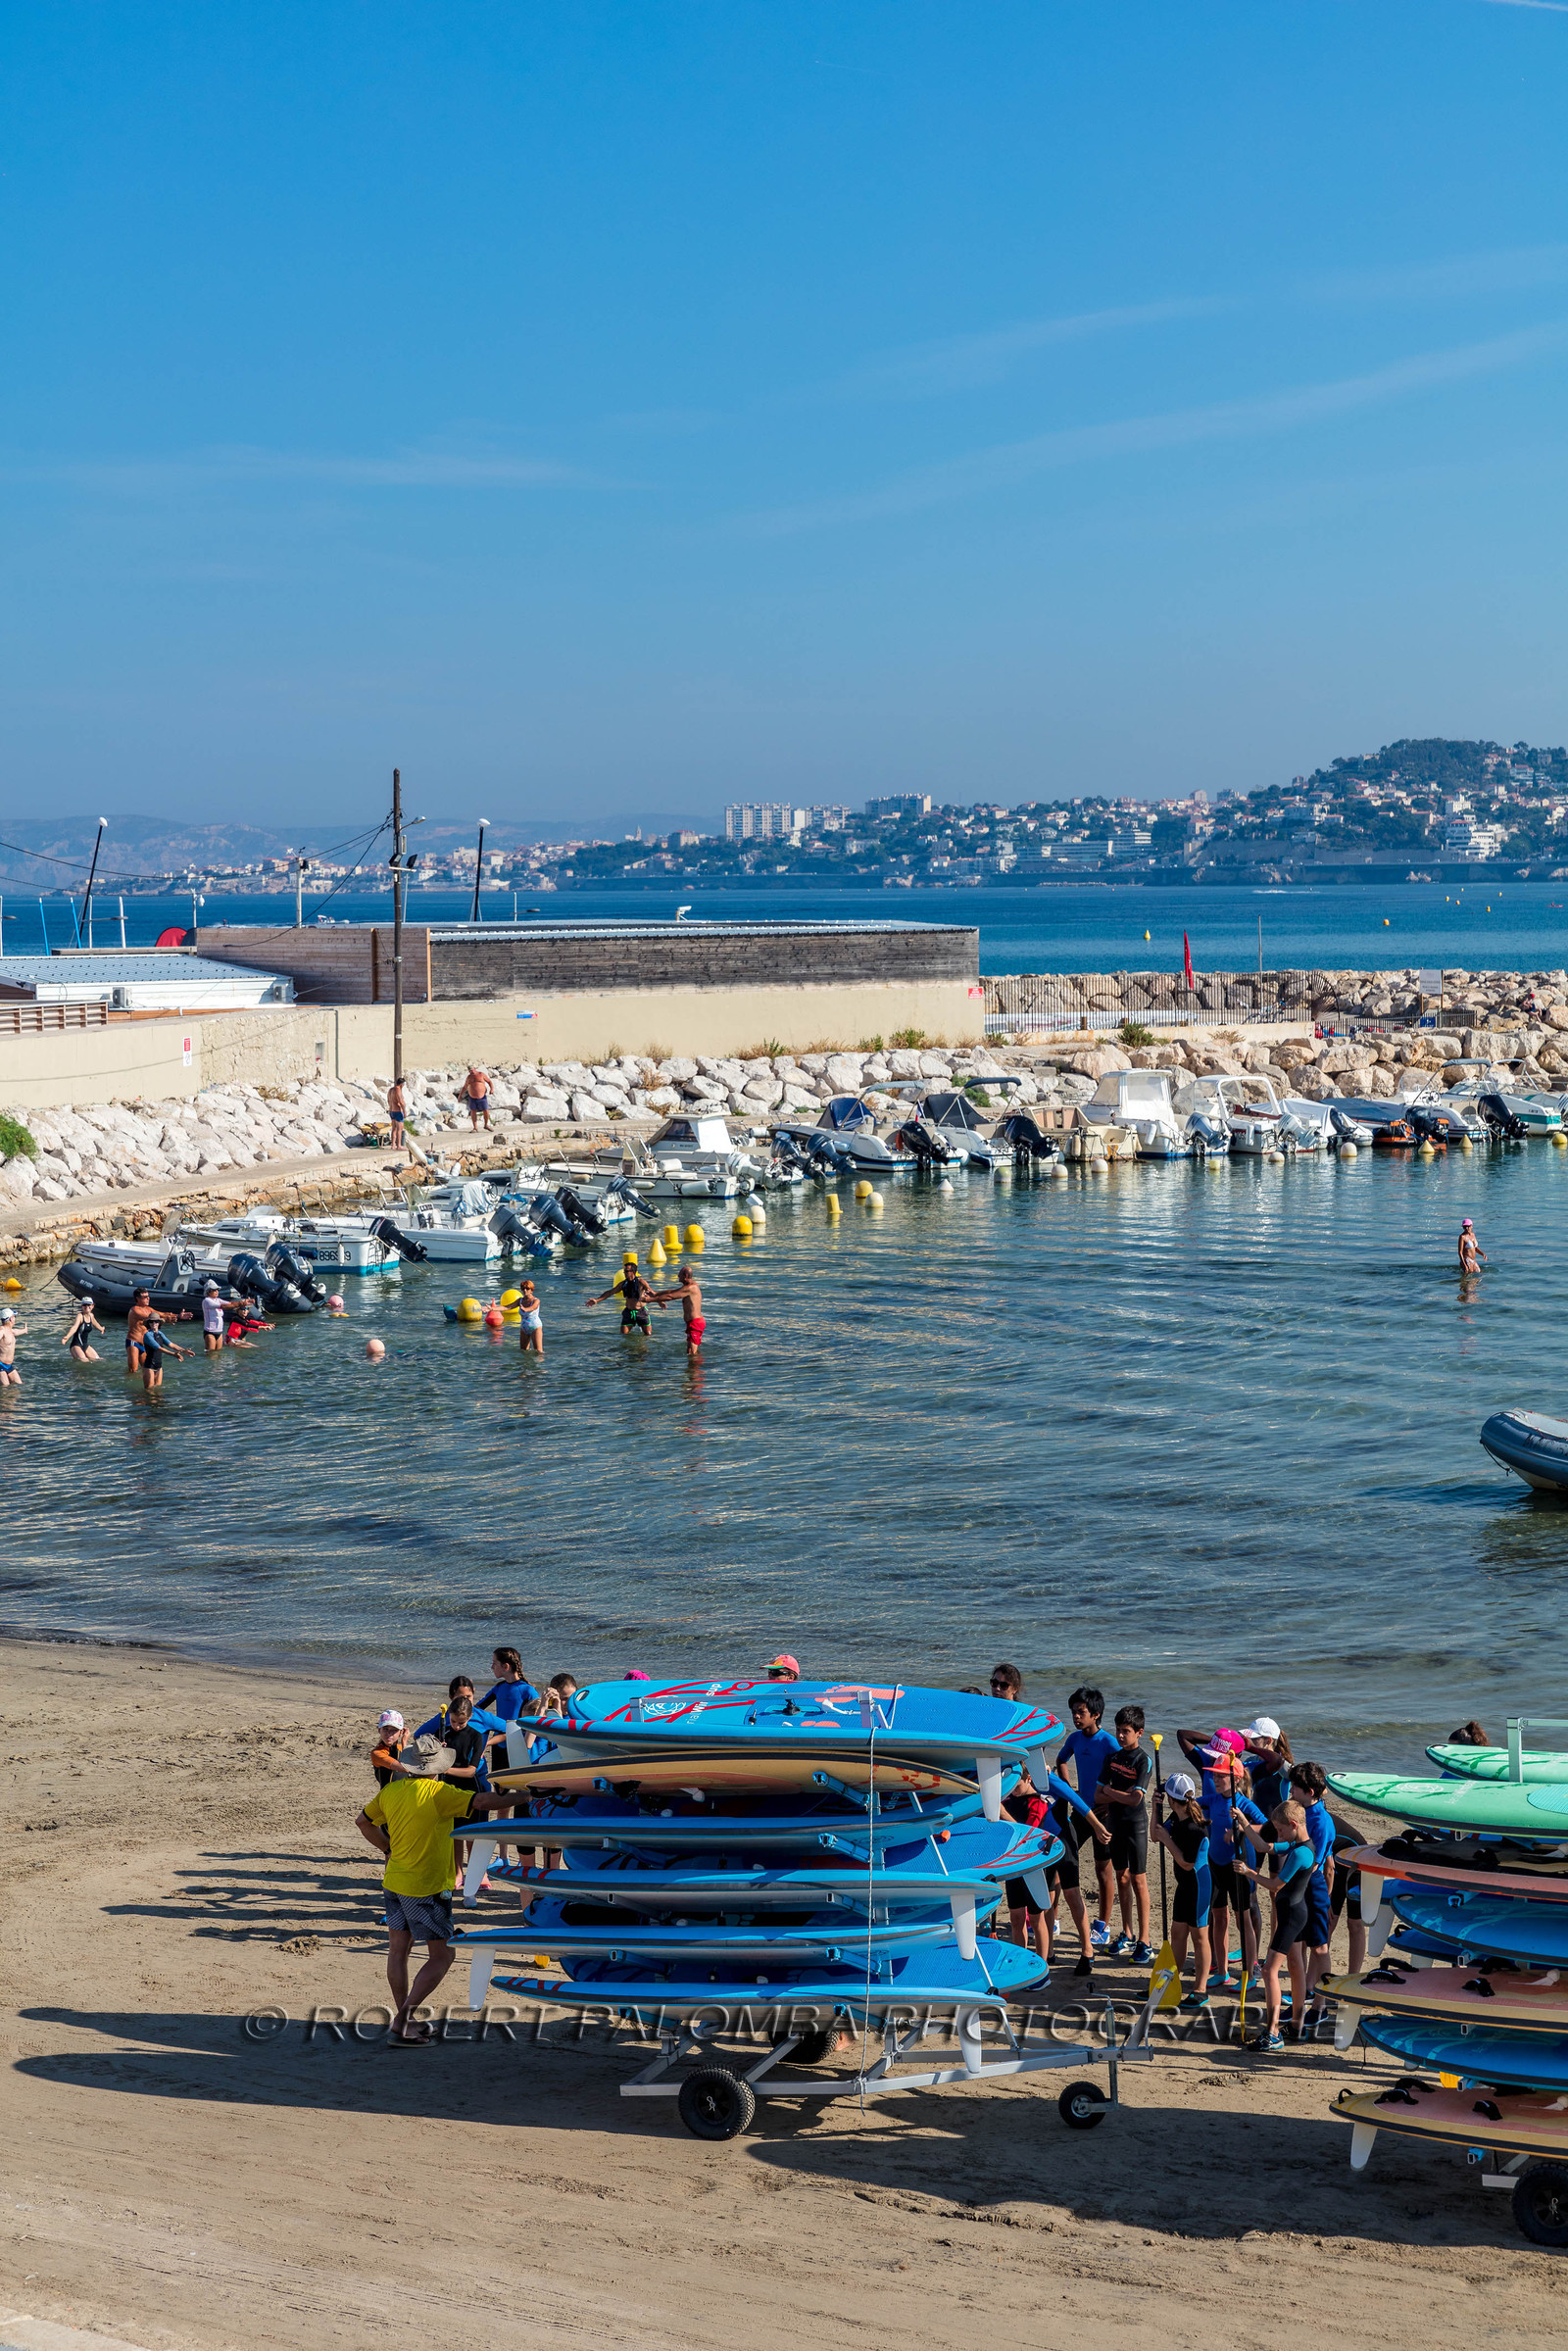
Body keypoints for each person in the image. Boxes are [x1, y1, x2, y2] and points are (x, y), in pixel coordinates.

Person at [355, 1732, 513, 2044]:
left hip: (394, 1882)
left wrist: (387, 1849)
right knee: (442, 1956)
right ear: (437, 1766)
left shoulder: (392, 1791)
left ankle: (406, 2019)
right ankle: (401, 2021)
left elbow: (363, 1822)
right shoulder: (439, 1793)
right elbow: (481, 1800)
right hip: (426, 1888)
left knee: (399, 1950)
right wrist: (524, 1797)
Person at [1177, 1724, 1265, 1988]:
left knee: (1244, 1920)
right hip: (1215, 1865)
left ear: (1235, 1779)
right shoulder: (1213, 1800)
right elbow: (1190, 1804)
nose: (1215, 1780)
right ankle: (1222, 1970)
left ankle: (1249, 1972)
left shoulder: (1244, 1804)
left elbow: (1268, 1827)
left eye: (1220, 1776)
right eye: (1213, 1775)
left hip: (1238, 1866)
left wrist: (1244, 1826)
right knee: (1219, 1918)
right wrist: (1169, 1796)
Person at [1231, 1797, 1315, 2053]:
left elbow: (1276, 1885)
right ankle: (1297, 2025)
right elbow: (1265, 1846)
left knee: (1269, 1971)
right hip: (1297, 1912)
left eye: (1280, 1830)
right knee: (1296, 1966)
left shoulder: (1300, 1853)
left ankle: (1273, 2032)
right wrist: (1244, 1822)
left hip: (1291, 1916)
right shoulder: (1298, 1844)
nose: (1278, 1834)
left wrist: (1248, 1872)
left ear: (1293, 1824)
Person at [1049, 1687, 1117, 1975]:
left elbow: (1126, 1773)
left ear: (1096, 1715)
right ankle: (1051, 1919)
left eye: (1081, 1713)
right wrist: (1067, 1790)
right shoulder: (1074, 1739)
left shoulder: (1109, 1742)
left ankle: (1101, 1925)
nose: (1076, 1717)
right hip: (1080, 1811)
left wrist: (1111, 1803)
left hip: (1103, 1814)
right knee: (1059, 1864)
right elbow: (1060, 1760)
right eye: (1074, 1712)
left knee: (1103, 1871)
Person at [1096, 1704, 1153, 1964]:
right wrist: (1114, 1795)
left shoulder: (1143, 1760)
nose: (1120, 1735)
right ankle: (1128, 1934)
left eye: (1126, 1731)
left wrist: (1111, 1794)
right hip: (1115, 1823)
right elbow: (1097, 1794)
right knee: (1122, 1877)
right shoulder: (1113, 1758)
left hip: (1136, 1826)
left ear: (1139, 1732)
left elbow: (1135, 1800)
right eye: (1118, 1730)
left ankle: (1145, 1941)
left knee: (1139, 1880)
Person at [1152, 1771, 1212, 2011]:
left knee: (1199, 1937)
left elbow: (1187, 1862)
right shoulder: (1175, 1819)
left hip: (1199, 1886)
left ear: (1172, 1799)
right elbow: (1156, 1835)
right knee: (1177, 1933)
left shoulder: (1196, 1828)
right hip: (1184, 1886)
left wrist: (1168, 1840)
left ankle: (1200, 1989)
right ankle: (1170, 1981)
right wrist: (1155, 1807)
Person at [1289, 1760, 1338, 2033]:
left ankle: (1320, 2006)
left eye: (1295, 1787)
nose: (1291, 1791)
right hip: (1304, 1888)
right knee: (1302, 1946)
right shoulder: (1306, 1811)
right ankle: (1301, 1999)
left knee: (1320, 1948)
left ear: (1309, 1791)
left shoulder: (1319, 1820)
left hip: (1312, 1887)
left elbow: (1314, 1863)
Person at [1003, 1763, 1053, 1964]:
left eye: (1017, 1785)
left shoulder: (1038, 1802)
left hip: (1033, 1867)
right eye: (1010, 1786)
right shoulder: (1008, 1800)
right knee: (1016, 1917)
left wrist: (1002, 1813)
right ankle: (1019, 1962)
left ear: (1029, 1779)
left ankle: (1041, 1966)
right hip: (1014, 1866)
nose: (1013, 1790)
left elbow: (1029, 1834)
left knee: (1035, 1917)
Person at [587, 1255, 662, 1337]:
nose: (624, 1273)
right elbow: (610, 1292)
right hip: (628, 1312)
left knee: (648, 1335)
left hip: (641, 1311)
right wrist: (596, 1300)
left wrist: (660, 1302)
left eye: (626, 1271)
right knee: (624, 1336)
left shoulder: (641, 1282)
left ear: (633, 1272)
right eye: (624, 1271)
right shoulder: (623, 1284)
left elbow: (652, 1293)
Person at [1241, 1717, 1295, 1817]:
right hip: (1254, 1816)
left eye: (1255, 1739)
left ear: (1268, 1741)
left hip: (1276, 1820)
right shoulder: (1251, 1761)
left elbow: (1300, 1785)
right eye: (1249, 1738)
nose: (1250, 1742)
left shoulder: (1283, 1765)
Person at [654, 1264, 706, 1354]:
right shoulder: (688, 1286)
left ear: (685, 1276)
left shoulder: (691, 1288)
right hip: (692, 1323)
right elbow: (672, 1292)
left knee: (693, 1353)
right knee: (689, 1351)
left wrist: (649, 1300)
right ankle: (691, 1368)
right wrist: (656, 1294)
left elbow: (671, 1296)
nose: (678, 1276)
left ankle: (697, 1367)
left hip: (695, 1323)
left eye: (679, 1274)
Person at [140, 1315, 191, 1392]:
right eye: (151, 1321)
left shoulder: (160, 1334)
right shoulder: (148, 1335)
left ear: (159, 1323)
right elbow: (159, 1348)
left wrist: (184, 1350)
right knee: (149, 1391)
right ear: (148, 1323)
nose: (154, 1323)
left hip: (158, 1366)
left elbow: (171, 1344)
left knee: (158, 1390)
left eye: (156, 1321)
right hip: (149, 1366)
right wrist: (173, 1354)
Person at [370, 1710, 410, 1786]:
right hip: (388, 1795)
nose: (389, 1734)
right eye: (385, 1729)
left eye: (394, 1730)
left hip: (404, 1793)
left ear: (401, 1732)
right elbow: (406, 1768)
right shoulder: (377, 1753)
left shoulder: (401, 1748)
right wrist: (404, 1742)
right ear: (379, 1730)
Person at [62, 1297, 105, 1362]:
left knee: (99, 1360)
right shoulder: (80, 1316)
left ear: (92, 1306)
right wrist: (67, 1337)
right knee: (85, 1361)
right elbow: (74, 1327)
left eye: (89, 1305)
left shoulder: (91, 1316)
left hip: (85, 1345)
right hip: (76, 1345)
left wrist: (101, 1329)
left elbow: (95, 1323)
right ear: (82, 1306)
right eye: (84, 1305)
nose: (87, 1307)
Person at [0, 1305, 26, 1388]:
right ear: (11, 1319)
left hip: (8, 1365)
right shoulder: (2, 1330)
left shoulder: (11, 1331)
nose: (15, 1319)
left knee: (19, 1384)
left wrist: (25, 1330)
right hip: (0, 1365)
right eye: (14, 1317)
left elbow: (17, 1332)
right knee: (6, 1386)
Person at [516, 1278, 544, 1356]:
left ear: (531, 1290)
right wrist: (492, 1309)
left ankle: (540, 1368)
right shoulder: (520, 1300)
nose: (525, 1290)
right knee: (523, 1351)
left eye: (527, 1288)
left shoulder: (536, 1300)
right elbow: (507, 1307)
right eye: (523, 1288)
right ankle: (525, 1368)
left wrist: (526, 1309)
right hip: (524, 1328)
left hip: (535, 1327)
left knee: (539, 1352)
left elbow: (533, 1307)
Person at [201, 1280, 226, 1356]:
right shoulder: (207, 1301)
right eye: (214, 1290)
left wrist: (244, 1302)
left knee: (219, 1353)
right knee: (211, 1355)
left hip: (219, 1331)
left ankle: (218, 1368)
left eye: (217, 1290)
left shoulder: (218, 1300)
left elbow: (230, 1303)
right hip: (210, 1332)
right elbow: (224, 1306)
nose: (216, 1291)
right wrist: (240, 1304)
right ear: (208, 1292)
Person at [464, 1066, 492, 1131]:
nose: (471, 1071)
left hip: (482, 1097)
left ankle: (486, 1125)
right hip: (472, 1097)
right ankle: (475, 1127)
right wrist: (459, 1096)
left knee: (486, 1111)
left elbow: (489, 1082)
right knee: (473, 1111)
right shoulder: (469, 1077)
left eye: (472, 1070)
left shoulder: (481, 1074)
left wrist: (491, 1089)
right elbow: (465, 1087)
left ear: (474, 1068)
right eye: (470, 1071)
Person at [387, 1076, 407, 1147]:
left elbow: (389, 1100)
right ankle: (399, 1145)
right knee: (399, 1129)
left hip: (392, 1111)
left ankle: (393, 1145)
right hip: (398, 1111)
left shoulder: (391, 1090)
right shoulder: (398, 1090)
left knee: (394, 1128)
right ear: (402, 1084)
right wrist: (404, 1111)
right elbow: (401, 1102)